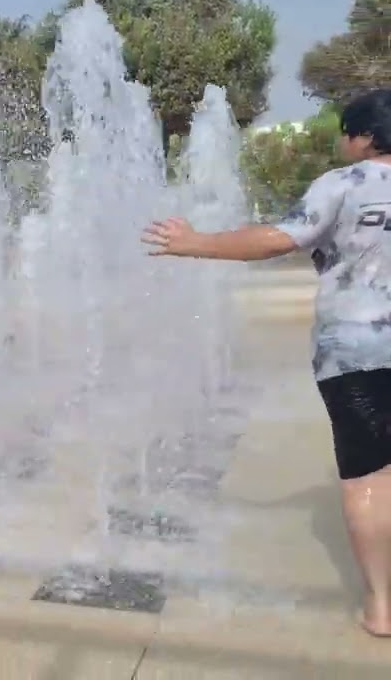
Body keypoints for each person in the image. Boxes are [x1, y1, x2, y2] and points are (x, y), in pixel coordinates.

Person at [141, 88, 391, 637]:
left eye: (347, 132)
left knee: (367, 477)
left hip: (356, 351)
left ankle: (382, 606)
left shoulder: (344, 184)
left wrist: (194, 242)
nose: (344, 142)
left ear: (367, 137)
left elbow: (281, 238)